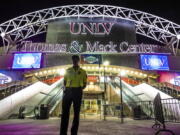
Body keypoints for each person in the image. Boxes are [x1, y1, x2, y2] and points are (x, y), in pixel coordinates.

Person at [60, 55, 87, 135]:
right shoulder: (68, 70)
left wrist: (79, 89)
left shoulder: (83, 71)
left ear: (78, 60)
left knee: (76, 113)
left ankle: (74, 132)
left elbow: (85, 83)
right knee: (65, 113)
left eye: (76, 59)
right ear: (72, 60)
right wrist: (67, 88)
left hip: (77, 92)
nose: (74, 61)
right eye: (73, 59)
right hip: (68, 91)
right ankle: (63, 133)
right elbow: (64, 81)